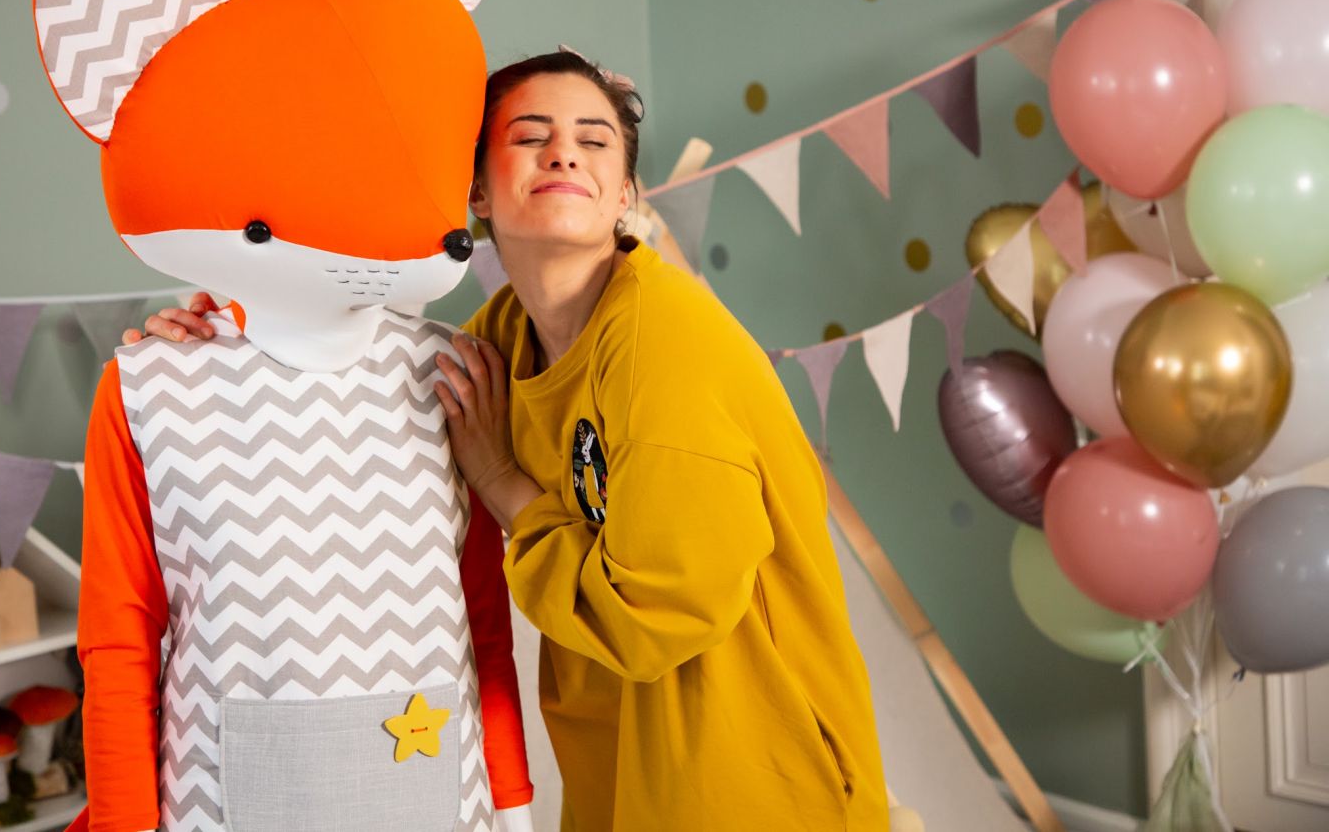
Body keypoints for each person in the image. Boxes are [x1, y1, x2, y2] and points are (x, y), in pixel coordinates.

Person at [133, 49, 887, 831]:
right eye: (532, 136)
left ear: (624, 193)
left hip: (757, 783)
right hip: (620, 777)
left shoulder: (666, 346)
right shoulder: (503, 340)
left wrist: (501, 481)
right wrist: (221, 341)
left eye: (594, 140)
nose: (564, 152)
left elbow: (650, 621)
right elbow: (353, 388)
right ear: (478, 193)